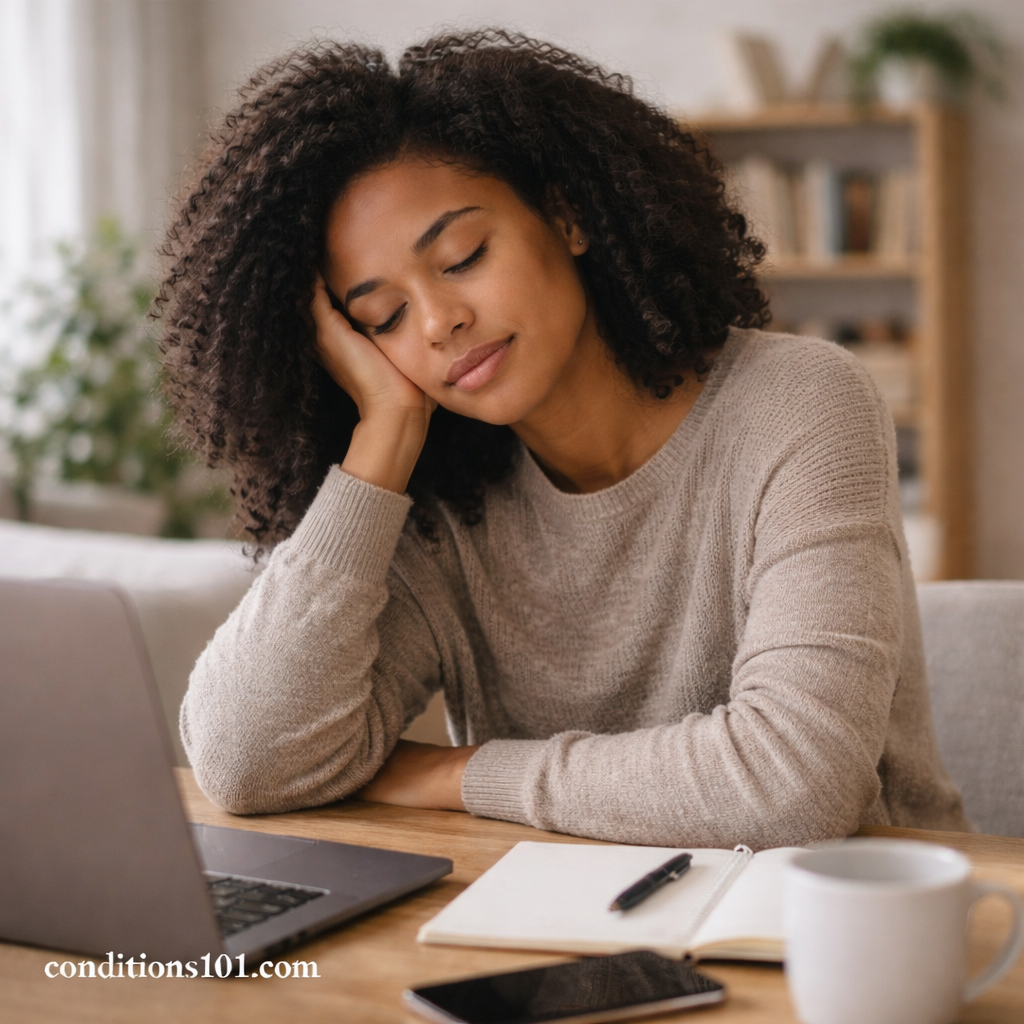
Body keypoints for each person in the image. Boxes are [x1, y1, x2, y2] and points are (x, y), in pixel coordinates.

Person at [158, 31, 968, 848]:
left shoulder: (797, 405)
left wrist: (454, 773)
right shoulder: (440, 499)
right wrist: (383, 435)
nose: (439, 323)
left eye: (463, 256)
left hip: (843, 931)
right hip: (554, 928)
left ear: (567, 214)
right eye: (384, 318)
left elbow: (795, 786)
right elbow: (244, 761)